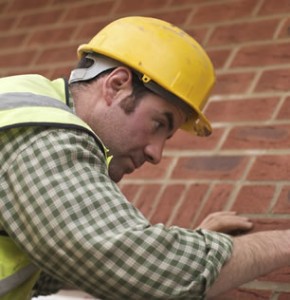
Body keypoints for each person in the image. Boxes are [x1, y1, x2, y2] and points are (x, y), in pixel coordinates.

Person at [0, 16, 289, 300]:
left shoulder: (24, 106)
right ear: (117, 85)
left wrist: (183, 248)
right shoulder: (44, 132)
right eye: (159, 124)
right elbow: (144, 275)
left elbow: (72, 266)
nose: (156, 153)